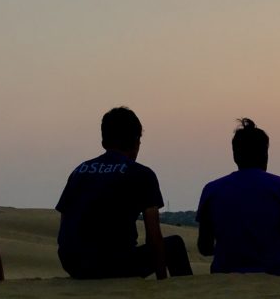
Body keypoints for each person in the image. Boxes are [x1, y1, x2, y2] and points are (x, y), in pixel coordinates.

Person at [56, 107, 191, 279]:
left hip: (74, 264)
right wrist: (161, 281)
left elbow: (65, 222)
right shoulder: (141, 174)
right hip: (114, 264)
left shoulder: (79, 172)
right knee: (175, 245)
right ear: (136, 141)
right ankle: (184, 296)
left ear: (104, 141)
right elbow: (153, 235)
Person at [197, 118, 280, 275]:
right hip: (274, 274)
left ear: (235, 155)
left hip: (223, 275)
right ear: (265, 153)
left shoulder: (211, 190)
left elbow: (204, 247)